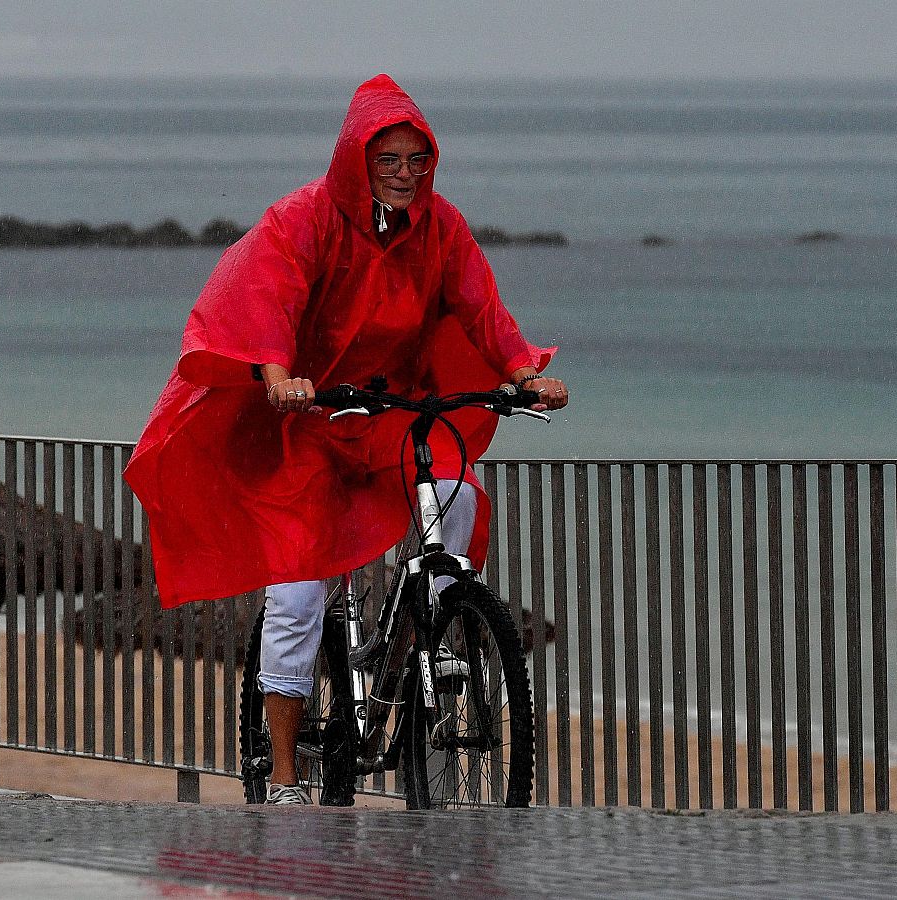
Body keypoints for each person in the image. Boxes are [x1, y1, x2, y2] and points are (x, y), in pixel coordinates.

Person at [123, 74, 568, 805]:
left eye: (416, 161)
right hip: (306, 420)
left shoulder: (441, 227)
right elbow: (267, 290)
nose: (403, 175)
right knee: (298, 595)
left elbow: (481, 306)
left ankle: (430, 636)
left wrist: (524, 372)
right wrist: (277, 372)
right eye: (388, 160)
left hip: (387, 412)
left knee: (455, 494)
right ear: (356, 159)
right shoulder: (304, 218)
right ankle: (287, 774)